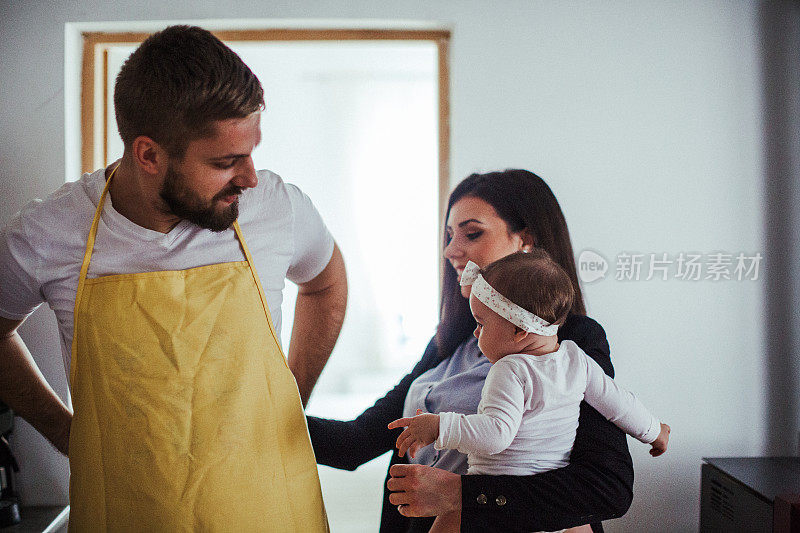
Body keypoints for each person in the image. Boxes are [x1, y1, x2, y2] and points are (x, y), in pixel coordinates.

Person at [0, 25, 346, 531]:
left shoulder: (275, 208)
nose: (250, 178)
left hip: (268, 506)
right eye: (226, 162)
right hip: (126, 511)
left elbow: (326, 283)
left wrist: (293, 396)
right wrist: (63, 431)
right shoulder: (49, 233)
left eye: (252, 152)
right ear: (149, 155)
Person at [307, 169, 635, 532]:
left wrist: (461, 494)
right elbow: (356, 442)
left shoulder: (570, 344)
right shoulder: (451, 340)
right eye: (449, 235)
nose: (450, 250)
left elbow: (607, 489)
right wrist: (258, 413)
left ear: (525, 240)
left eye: (472, 233)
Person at [388, 252, 670, 532]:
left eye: (482, 323)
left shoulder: (509, 369)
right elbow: (620, 405)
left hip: (497, 494)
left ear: (519, 330)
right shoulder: (577, 359)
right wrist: (654, 431)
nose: (476, 334)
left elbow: (496, 434)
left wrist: (439, 426)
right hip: (548, 502)